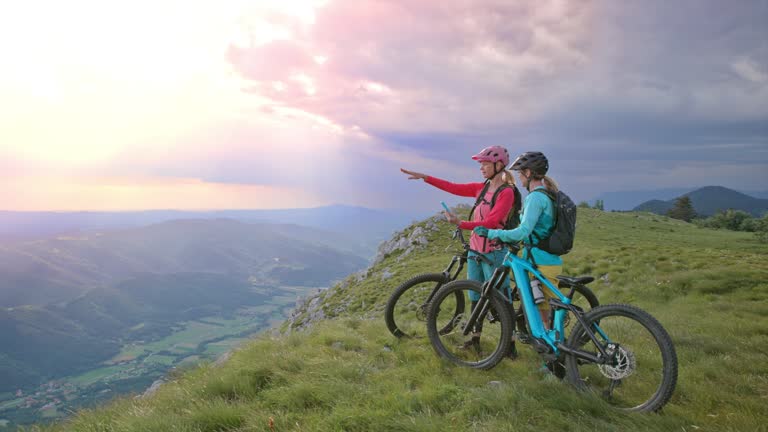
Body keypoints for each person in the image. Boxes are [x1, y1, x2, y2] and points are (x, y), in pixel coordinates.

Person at [400, 145, 520, 357]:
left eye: (485, 164)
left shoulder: (507, 192)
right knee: (475, 295)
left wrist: (461, 223)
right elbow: (452, 187)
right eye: (480, 164)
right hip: (475, 250)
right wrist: (425, 177)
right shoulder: (481, 188)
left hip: (494, 252)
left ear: (499, 165)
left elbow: (492, 222)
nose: (481, 168)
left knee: (502, 298)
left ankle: (510, 346)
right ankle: (475, 340)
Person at [473, 151, 561, 332]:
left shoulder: (536, 197)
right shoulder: (545, 195)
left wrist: (492, 233)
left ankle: (557, 356)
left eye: (521, 173)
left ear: (529, 173)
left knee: (548, 321)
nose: (519, 177)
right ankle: (541, 345)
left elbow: (523, 231)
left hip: (541, 263)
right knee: (541, 314)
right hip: (538, 260)